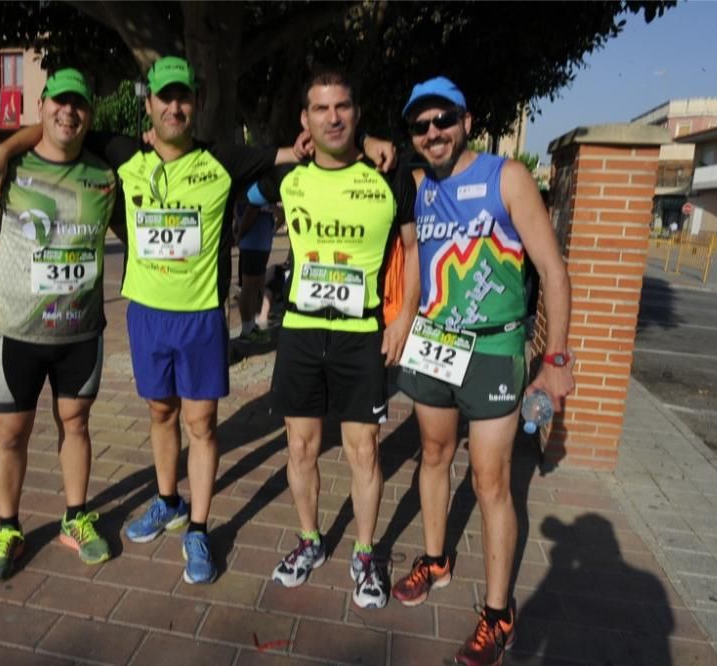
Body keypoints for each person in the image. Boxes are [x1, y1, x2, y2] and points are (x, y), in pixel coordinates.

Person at [0, 56, 358, 584]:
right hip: (147, 315)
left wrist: (370, 145)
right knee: (160, 413)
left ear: (194, 104)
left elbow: (307, 148)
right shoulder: (122, 152)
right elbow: (54, 127)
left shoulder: (224, 158)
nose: (174, 106)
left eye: (183, 98)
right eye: (164, 97)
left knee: (200, 424)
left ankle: (198, 528)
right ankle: (167, 501)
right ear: (148, 105)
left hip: (200, 316)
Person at [390, 76, 574, 666]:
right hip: (433, 345)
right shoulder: (417, 186)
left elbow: (552, 270)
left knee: (491, 482)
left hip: (494, 350)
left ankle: (498, 615)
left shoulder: (507, 176)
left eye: (442, 120)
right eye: (420, 125)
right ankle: (436, 559)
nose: (432, 132)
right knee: (434, 456)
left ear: (466, 120)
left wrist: (557, 359)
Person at [253, 70, 419, 609]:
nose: (333, 117)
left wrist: (404, 319)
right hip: (301, 330)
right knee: (300, 447)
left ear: (356, 112)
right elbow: (237, 179)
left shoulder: (390, 175)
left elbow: (413, 251)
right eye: (320, 109)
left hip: (360, 334)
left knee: (363, 450)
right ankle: (309, 541)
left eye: (342, 106)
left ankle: (366, 552)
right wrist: (285, 152)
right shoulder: (288, 178)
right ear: (305, 120)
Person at [0, 68, 118, 583]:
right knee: (11, 433)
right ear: (42, 105)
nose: (68, 112)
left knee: (76, 424)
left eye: (79, 104)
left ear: (89, 114)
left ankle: (76, 517)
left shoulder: (105, 175)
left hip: (80, 332)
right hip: (18, 333)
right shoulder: (7, 170)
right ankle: (8, 527)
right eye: (59, 102)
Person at [235, 192, 282, 344]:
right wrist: (240, 235)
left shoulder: (263, 194)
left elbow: (280, 214)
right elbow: (245, 212)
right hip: (252, 243)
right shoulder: (250, 192)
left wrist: (273, 229)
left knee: (256, 285)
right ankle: (246, 330)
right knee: (249, 287)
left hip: (262, 243)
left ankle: (252, 326)